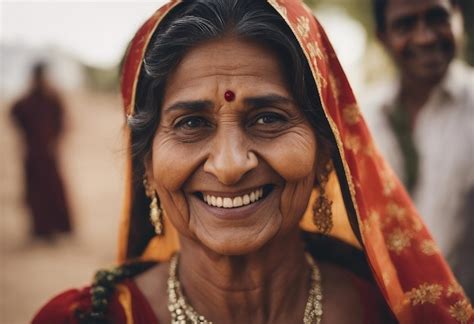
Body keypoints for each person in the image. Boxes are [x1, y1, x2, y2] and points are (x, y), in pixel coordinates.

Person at [32, 0, 472, 323]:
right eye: (191, 123)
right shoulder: (85, 318)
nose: (228, 165)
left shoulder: (391, 312)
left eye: (268, 118)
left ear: (324, 153)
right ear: (147, 163)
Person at [364, 0, 474, 301]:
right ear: (382, 37)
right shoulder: (364, 116)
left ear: (459, 18)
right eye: (405, 25)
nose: (425, 37)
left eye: (437, 18)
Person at [11, 62, 72, 240]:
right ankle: (40, 229)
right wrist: (27, 137)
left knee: (53, 190)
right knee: (35, 192)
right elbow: (15, 115)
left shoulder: (52, 98)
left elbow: (62, 123)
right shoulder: (26, 100)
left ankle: (59, 227)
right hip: (33, 154)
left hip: (49, 155)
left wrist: (55, 140)